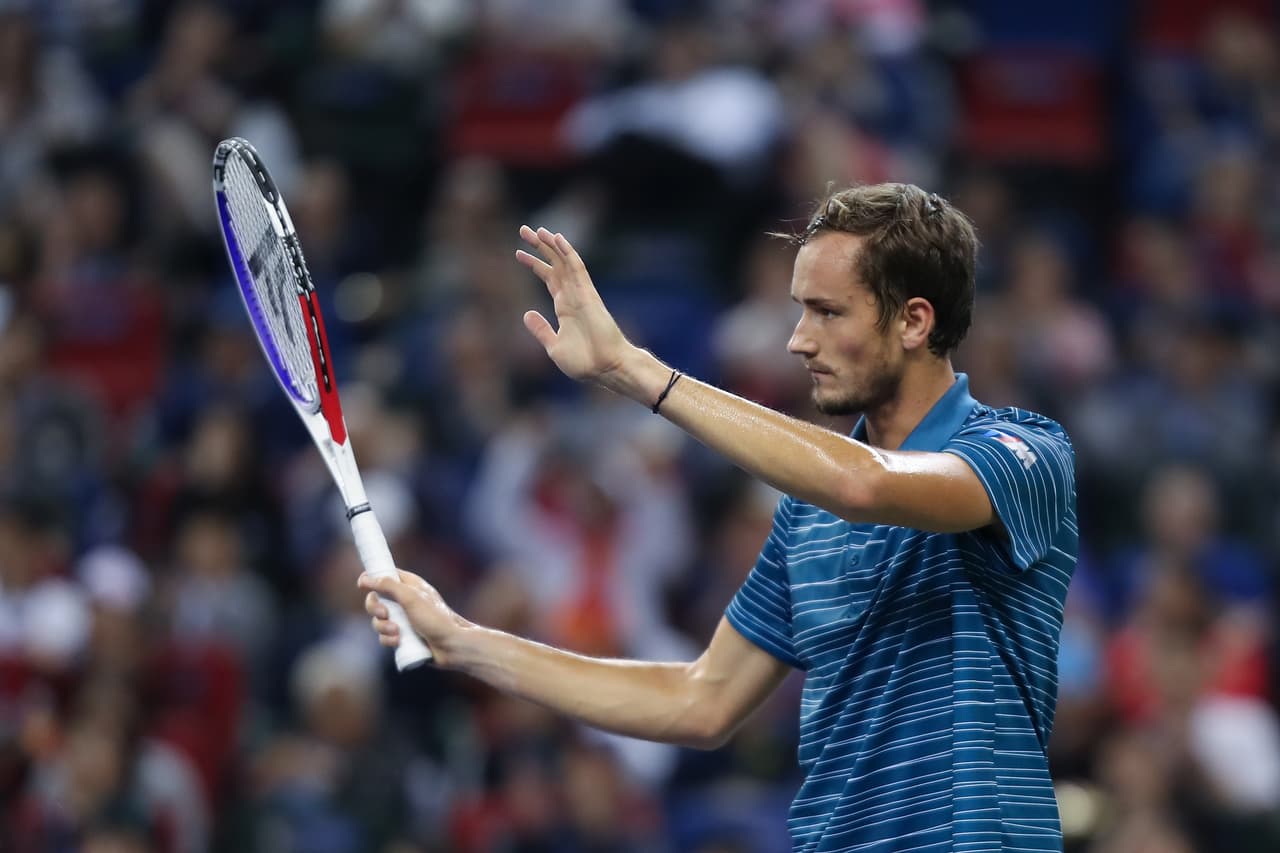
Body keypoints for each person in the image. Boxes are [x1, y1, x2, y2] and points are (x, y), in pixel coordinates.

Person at [361, 183, 1077, 852]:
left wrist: (636, 371)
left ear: (915, 320)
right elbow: (699, 700)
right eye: (800, 308)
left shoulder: (1024, 455)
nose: (799, 339)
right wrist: (463, 641)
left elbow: (864, 483)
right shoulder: (807, 516)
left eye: (829, 311)